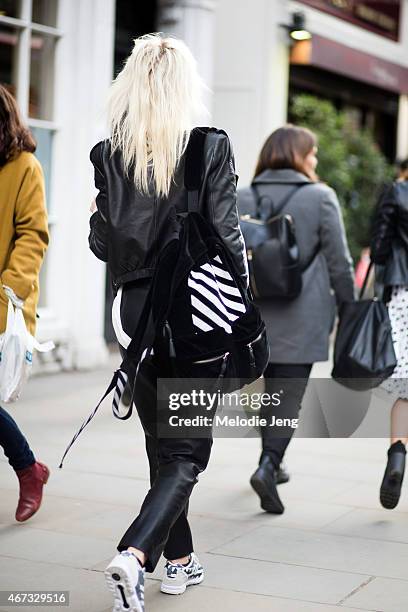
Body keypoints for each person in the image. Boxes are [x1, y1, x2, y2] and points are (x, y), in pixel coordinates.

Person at [88, 35, 247, 612]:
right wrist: (244, 312)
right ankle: (135, 556)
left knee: (161, 438)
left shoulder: (110, 154)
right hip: (196, 309)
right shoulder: (209, 147)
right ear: (185, 87)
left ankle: (179, 563)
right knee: (186, 453)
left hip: (136, 313)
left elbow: (103, 244)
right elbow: (228, 237)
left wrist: (104, 215)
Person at [237, 125, 354, 514]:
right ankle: (269, 464)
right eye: (313, 153)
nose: (316, 160)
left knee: (265, 394)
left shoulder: (240, 196)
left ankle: (273, 460)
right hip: (302, 313)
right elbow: (339, 262)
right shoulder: (321, 197)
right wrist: (350, 310)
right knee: (288, 396)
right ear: (298, 156)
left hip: (250, 315)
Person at [0, 84, 50, 522]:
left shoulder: (24, 167)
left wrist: (9, 289)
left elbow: (33, 234)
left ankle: (28, 468)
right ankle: (29, 468)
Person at [371, 169, 408, 510]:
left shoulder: (398, 192)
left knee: (404, 391)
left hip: (403, 294)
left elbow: (379, 250)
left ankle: (397, 454)